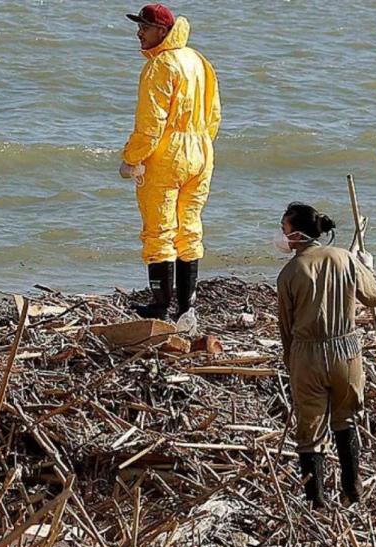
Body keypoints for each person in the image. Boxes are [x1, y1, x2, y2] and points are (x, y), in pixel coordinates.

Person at [275, 202, 376, 508]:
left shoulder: (290, 273)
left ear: (297, 234)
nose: (282, 236)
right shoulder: (345, 259)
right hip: (347, 353)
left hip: (307, 354)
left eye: (284, 229)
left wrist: (292, 363)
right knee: (347, 419)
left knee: (310, 430)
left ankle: (318, 504)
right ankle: (353, 493)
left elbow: (286, 329)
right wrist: (367, 266)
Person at [119, 4, 220, 320]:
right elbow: (214, 112)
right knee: (189, 228)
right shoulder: (197, 60)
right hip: (201, 151)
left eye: (145, 27)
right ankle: (187, 307)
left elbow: (150, 125)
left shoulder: (160, 65)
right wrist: (201, 146)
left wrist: (131, 159)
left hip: (167, 156)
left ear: (162, 31)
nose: (139, 32)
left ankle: (161, 307)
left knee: (159, 231)